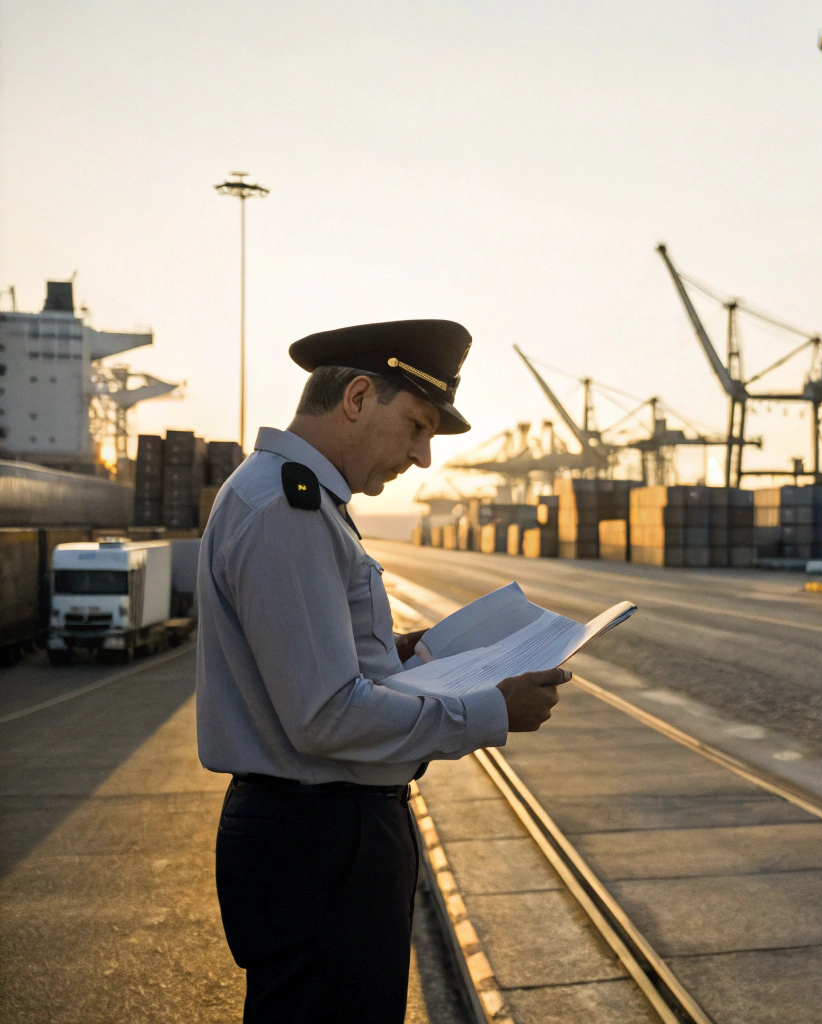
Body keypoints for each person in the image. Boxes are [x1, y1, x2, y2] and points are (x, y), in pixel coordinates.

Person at [196, 319, 565, 1023]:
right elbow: (324, 714)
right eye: (417, 426)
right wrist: (493, 710)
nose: (423, 457)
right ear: (359, 397)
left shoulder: (291, 496)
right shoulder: (289, 507)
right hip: (322, 841)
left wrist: (391, 650)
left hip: (317, 837)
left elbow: (306, 664)